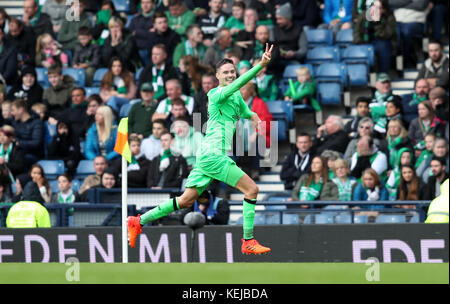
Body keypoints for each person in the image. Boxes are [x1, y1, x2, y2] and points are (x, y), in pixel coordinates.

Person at [127, 43, 276, 255]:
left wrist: (256, 118)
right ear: (217, 76)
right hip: (213, 155)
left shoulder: (235, 97)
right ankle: (248, 240)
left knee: (185, 200)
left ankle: (137, 221)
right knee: (252, 190)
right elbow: (240, 84)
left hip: (206, 156)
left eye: (232, 71)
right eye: (225, 72)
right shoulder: (215, 94)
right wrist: (259, 66)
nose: (230, 75)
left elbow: (246, 111)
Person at [353, 0, 396, 73]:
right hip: (365, 42)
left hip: (384, 41)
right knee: (361, 49)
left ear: (384, 9)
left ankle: (383, 74)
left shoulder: (390, 17)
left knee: (383, 47)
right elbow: (357, 32)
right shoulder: (364, 16)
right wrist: (360, 42)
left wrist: (377, 23)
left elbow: (386, 35)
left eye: (379, 8)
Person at [390, 0, 428, 69]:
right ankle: (400, 63)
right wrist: (411, 1)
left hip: (415, 22)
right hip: (397, 22)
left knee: (406, 32)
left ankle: (406, 59)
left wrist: (401, 4)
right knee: (396, 37)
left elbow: (420, 5)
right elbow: (391, 3)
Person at [10, 99, 44, 166]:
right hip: (17, 152)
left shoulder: (37, 123)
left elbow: (36, 143)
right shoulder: (15, 122)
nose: (11, 113)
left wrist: (18, 143)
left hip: (32, 154)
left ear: (21, 110)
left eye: (13, 110)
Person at [127, 0, 156, 66]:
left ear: (153, 4)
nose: (145, 5)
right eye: (143, 3)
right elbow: (130, 33)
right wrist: (148, 32)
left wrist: (137, 32)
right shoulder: (135, 18)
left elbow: (154, 34)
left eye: (148, 2)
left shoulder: (157, 18)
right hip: (135, 50)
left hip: (150, 50)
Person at [0, 125, 27, 195]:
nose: (1, 138)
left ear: (11, 137)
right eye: (0, 135)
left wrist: (5, 163)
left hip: (13, 178)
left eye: (4, 135)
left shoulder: (18, 149)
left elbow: (20, 167)